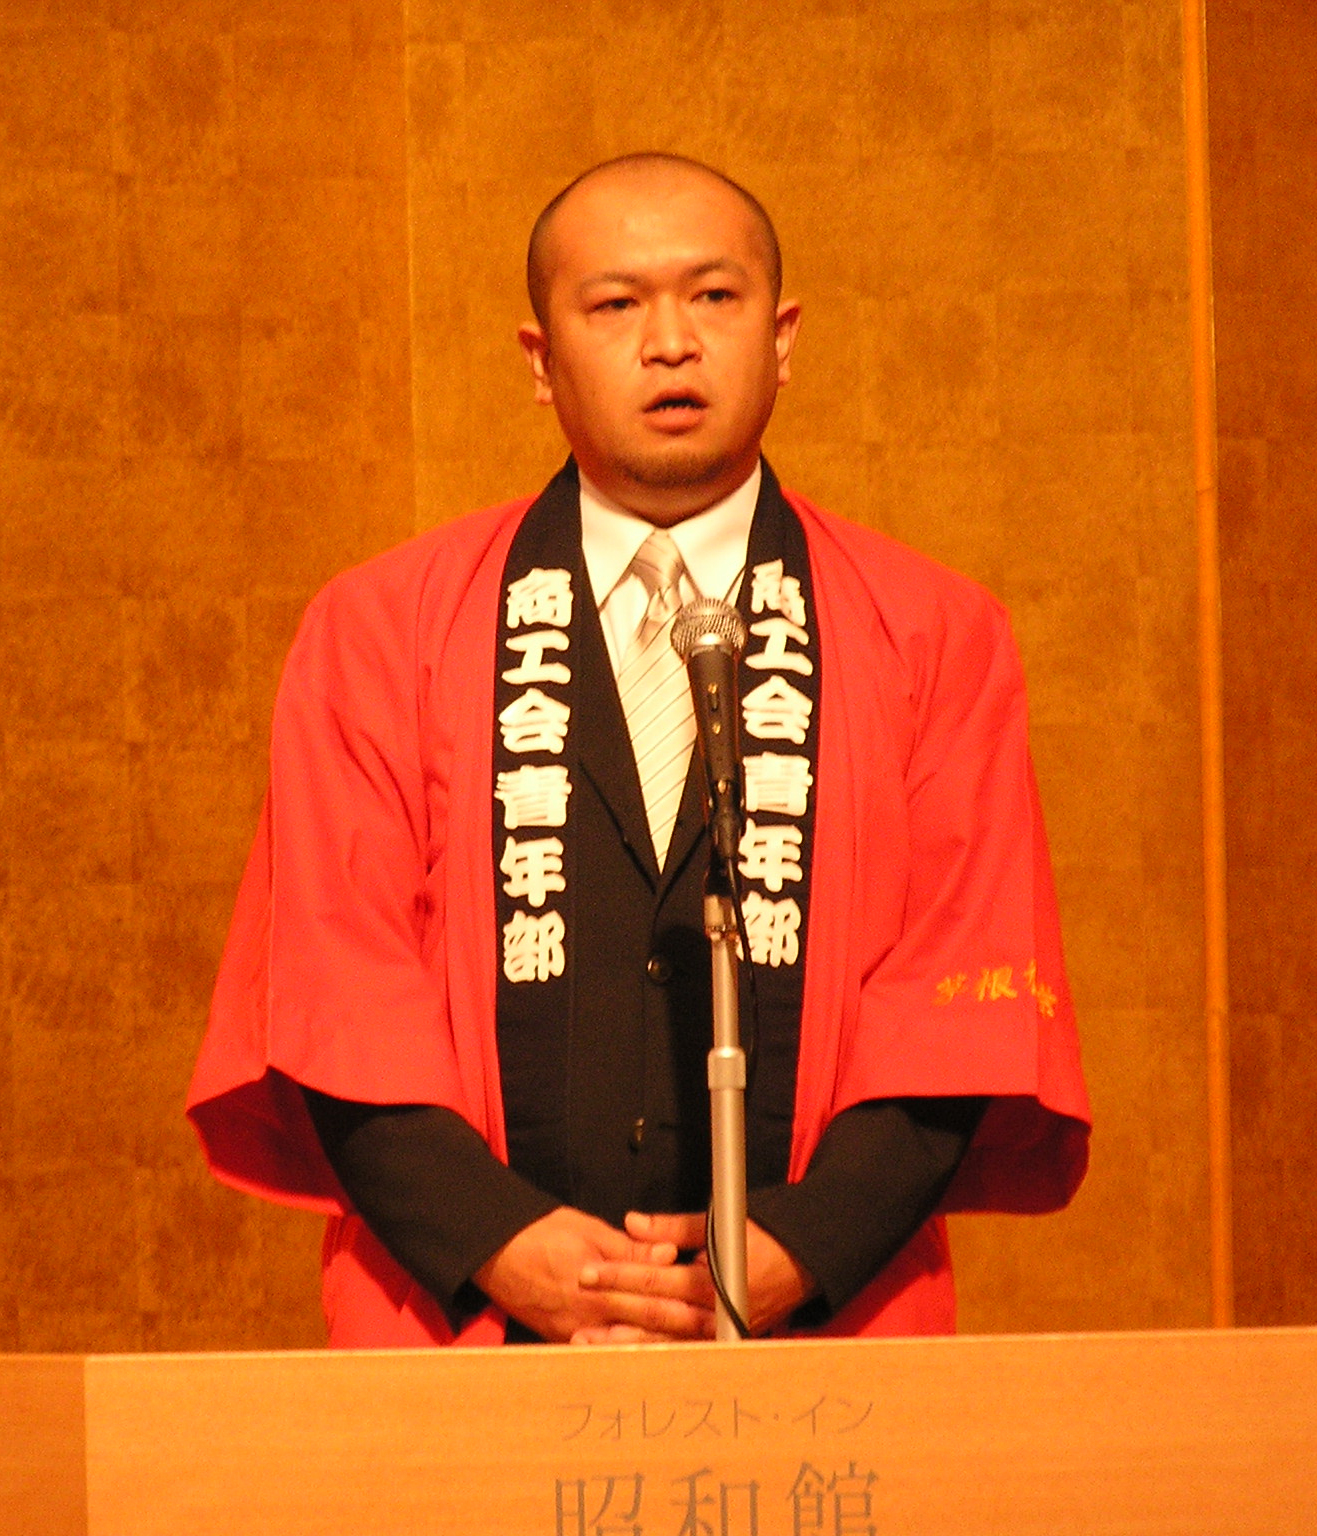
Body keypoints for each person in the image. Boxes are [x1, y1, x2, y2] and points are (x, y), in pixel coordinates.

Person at [187, 153, 1090, 1347]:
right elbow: (335, 992)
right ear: (538, 359)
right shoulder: (379, 632)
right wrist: (502, 1246)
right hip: (472, 1332)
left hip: (820, 1333)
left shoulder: (931, 633)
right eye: (614, 305)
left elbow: (958, 996)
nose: (670, 343)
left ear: (781, 339)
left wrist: (795, 1251)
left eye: (712, 297)